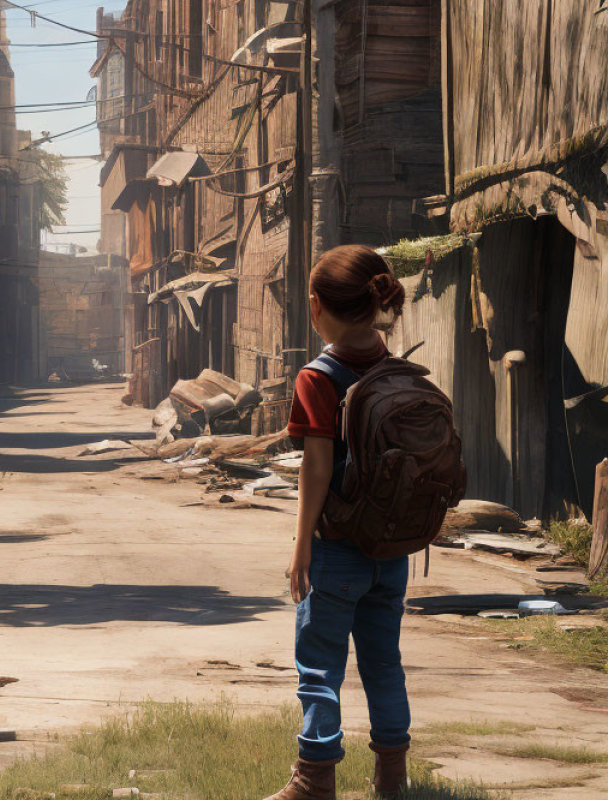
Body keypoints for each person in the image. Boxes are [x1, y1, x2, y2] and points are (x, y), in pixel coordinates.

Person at [264, 245, 410, 800]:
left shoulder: (318, 377)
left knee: (320, 665)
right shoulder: (397, 369)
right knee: (384, 664)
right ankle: (391, 779)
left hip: (338, 548)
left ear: (316, 305)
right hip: (390, 548)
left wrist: (302, 544)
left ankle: (314, 779)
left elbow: (317, 466)